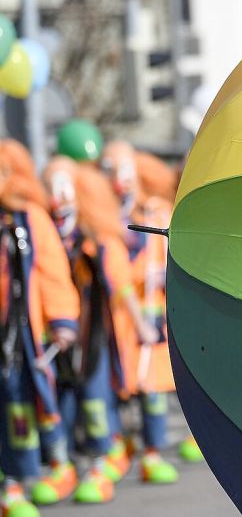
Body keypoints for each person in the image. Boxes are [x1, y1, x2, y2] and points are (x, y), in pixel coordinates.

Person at [38, 158, 152, 504]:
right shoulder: (48, 236)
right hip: (62, 335)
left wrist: (141, 325)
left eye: (66, 189)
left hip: (99, 337)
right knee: (63, 403)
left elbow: (121, 286)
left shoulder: (100, 240)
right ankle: (67, 464)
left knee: (95, 397)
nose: (59, 200)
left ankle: (106, 458)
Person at [100, 142, 197, 482]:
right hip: (118, 321)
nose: (119, 180)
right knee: (119, 387)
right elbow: (114, 271)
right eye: (111, 171)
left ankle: (153, 452)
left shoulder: (156, 213)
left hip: (153, 315)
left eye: (125, 171)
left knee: (154, 385)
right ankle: (122, 447)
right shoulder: (105, 219)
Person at [0, 139, 80, 517]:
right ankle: (16, 479)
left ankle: (60, 465)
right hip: (4, 337)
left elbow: (51, 272)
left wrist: (62, 321)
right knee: (13, 407)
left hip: (28, 335)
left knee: (43, 402)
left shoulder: (30, 217)